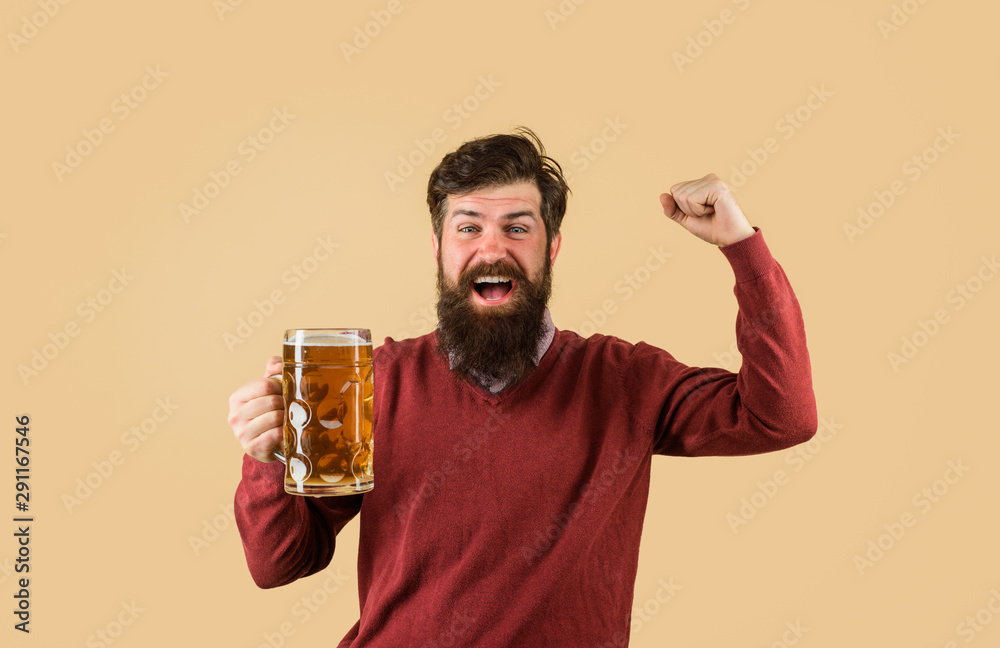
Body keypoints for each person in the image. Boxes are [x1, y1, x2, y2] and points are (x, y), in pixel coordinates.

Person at [227, 127, 817, 647]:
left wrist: (742, 247)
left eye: (517, 227)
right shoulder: (367, 383)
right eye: (468, 227)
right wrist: (267, 461)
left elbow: (780, 416)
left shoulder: (624, 380)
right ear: (438, 251)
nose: (492, 247)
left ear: (551, 249)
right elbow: (279, 565)